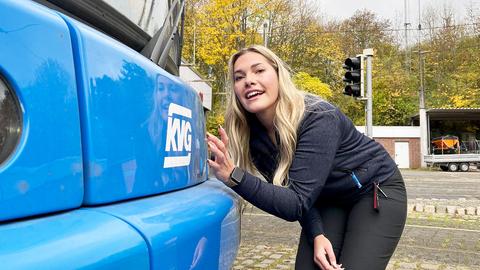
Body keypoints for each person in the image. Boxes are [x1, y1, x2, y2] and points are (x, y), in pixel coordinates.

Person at [206, 45, 407, 270]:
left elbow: (295, 203)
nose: (249, 81)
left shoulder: (318, 117)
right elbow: (296, 195)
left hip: (375, 190)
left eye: (259, 71)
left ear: (278, 75)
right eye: (239, 77)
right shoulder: (255, 138)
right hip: (327, 199)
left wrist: (234, 176)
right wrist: (317, 234)